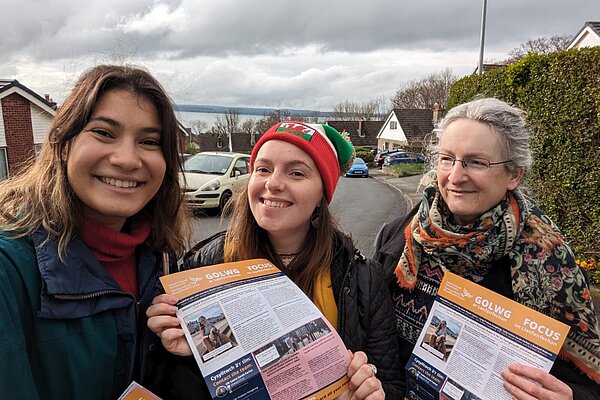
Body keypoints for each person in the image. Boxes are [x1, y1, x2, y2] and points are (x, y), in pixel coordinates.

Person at [147, 121, 402, 399]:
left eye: (296, 173)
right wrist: (184, 356)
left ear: (322, 195)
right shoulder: (205, 264)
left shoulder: (363, 278)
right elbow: (170, 386)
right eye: (263, 169)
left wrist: (370, 392)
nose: (273, 183)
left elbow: (390, 382)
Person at [374, 98, 600, 399]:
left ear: (514, 175)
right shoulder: (399, 237)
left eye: (476, 162)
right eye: (446, 159)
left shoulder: (548, 262)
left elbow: (588, 384)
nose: (455, 176)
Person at [0, 65, 191, 399]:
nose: (128, 159)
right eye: (104, 133)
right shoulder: (9, 268)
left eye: (149, 141)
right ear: (62, 144)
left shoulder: (161, 259)